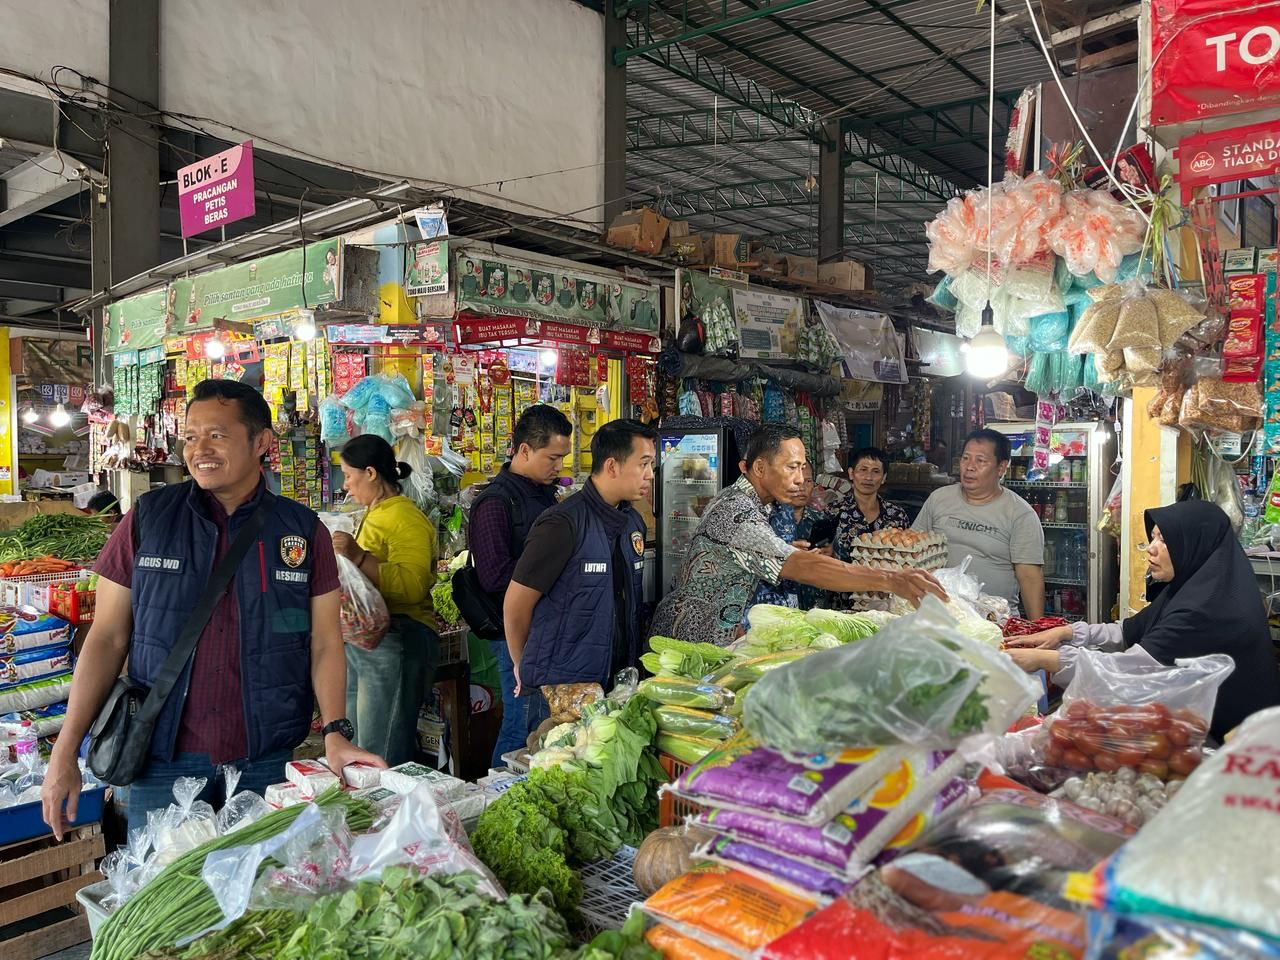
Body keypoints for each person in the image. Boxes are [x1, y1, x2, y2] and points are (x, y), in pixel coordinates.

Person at [41, 380, 382, 840]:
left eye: (216, 435)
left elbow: (324, 641)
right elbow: (106, 638)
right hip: (163, 761)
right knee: (165, 884)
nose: (199, 450)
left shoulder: (301, 531)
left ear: (261, 442)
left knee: (269, 883)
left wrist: (336, 733)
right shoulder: (148, 519)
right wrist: (65, 751)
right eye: (190, 436)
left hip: (268, 760)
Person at [1006, 500, 1280, 743]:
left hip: (1232, 743)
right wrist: (1066, 632)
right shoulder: (1192, 587)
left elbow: (1127, 670)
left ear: (1194, 544)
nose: (1150, 549)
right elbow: (1128, 631)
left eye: (1164, 540)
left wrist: (1045, 659)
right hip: (1204, 727)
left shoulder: (1206, 609)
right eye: (1153, 537)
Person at [650, 424, 946, 646]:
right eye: (791, 467)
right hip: (689, 637)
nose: (800, 478)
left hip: (715, 633)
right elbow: (801, 566)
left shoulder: (753, 503)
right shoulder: (736, 511)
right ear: (760, 468)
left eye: (803, 468)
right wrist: (891, 579)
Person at [503, 420, 656, 721]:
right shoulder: (562, 524)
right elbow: (516, 605)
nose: (650, 474)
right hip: (563, 692)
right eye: (643, 464)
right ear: (612, 466)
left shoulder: (631, 523)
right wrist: (525, 667)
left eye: (651, 465)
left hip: (616, 683)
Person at [469, 405, 573, 763]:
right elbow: (494, 575)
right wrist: (552, 572)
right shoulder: (495, 503)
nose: (559, 467)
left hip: (546, 631)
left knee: (544, 724)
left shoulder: (543, 494)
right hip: (514, 635)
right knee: (521, 726)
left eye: (562, 458)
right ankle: (497, 792)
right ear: (525, 450)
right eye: (553, 458)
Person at [333, 435, 439, 767]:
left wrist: (358, 556)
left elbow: (413, 585)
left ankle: (389, 798)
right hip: (365, 643)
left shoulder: (405, 517)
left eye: (348, 476)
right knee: (357, 744)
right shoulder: (376, 513)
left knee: (381, 748)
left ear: (370, 473)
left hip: (399, 639)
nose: (346, 485)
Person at [913, 429, 1045, 619]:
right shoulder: (939, 499)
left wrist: (1038, 628)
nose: (970, 467)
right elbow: (914, 548)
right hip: (938, 615)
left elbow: (1029, 577)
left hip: (994, 620)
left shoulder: (1020, 514)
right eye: (965, 458)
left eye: (980, 461)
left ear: (1001, 467)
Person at [825, 447, 911, 610]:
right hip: (842, 601)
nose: (868, 477)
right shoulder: (833, 512)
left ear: (884, 477)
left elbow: (906, 558)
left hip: (887, 602)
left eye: (876, 472)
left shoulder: (896, 515)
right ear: (851, 473)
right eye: (863, 470)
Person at [753, 463, 832, 613]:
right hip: (774, 607)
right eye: (796, 481)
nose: (802, 488)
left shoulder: (821, 519)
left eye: (808, 481)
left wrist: (831, 554)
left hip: (814, 606)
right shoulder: (763, 519)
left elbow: (841, 562)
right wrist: (785, 553)